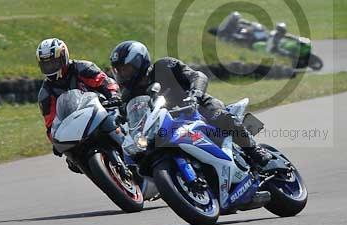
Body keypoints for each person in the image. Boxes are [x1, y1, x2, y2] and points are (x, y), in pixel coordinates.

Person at [109, 40, 277, 169]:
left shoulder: (165, 66)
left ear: (140, 62)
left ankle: (253, 150)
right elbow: (130, 117)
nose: (123, 74)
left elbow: (198, 76)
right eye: (119, 71)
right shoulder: (130, 95)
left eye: (126, 69)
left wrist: (195, 95)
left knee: (220, 116)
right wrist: (119, 118)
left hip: (196, 107)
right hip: (168, 127)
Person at [36, 38, 121, 170]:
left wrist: (113, 95)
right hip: (76, 127)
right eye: (46, 64)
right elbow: (50, 124)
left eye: (54, 62)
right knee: (72, 161)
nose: (50, 67)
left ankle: (132, 151)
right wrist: (55, 141)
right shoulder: (45, 94)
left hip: (102, 109)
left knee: (116, 123)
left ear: (64, 57)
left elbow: (104, 82)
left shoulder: (82, 67)